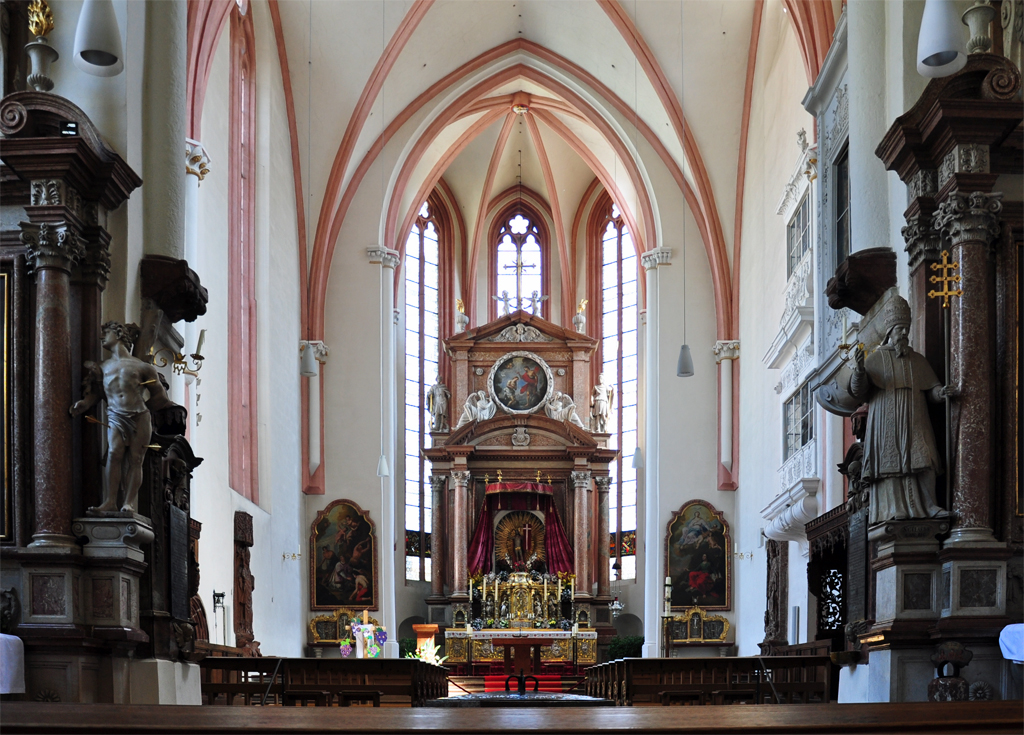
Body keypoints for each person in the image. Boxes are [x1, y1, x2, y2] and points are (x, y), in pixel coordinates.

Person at [851, 296, 953, 524]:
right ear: (889, 333)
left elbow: (932, 388)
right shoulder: (876, 359)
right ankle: (893, 509)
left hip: (915, 418)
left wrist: (941, 393)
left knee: (925, 460)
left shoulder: (917, 360)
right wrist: (858, 370)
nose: (904, 334)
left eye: (906, 329)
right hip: (887, 420)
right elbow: (859, 391)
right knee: (892, 465)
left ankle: (929, 506)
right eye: (900, 329)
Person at [70, 321, 179, 514]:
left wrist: (143, 410)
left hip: (140, 417)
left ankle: (128, 503)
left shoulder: (143, 367)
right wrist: (85, 404)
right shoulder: (102, 367)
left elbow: (160, 396)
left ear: (119, 334)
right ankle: (110, 501)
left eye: (106, 332)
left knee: (136, 459)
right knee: (114, 454)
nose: (102, 336)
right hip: (115, 416)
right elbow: (96, 393)